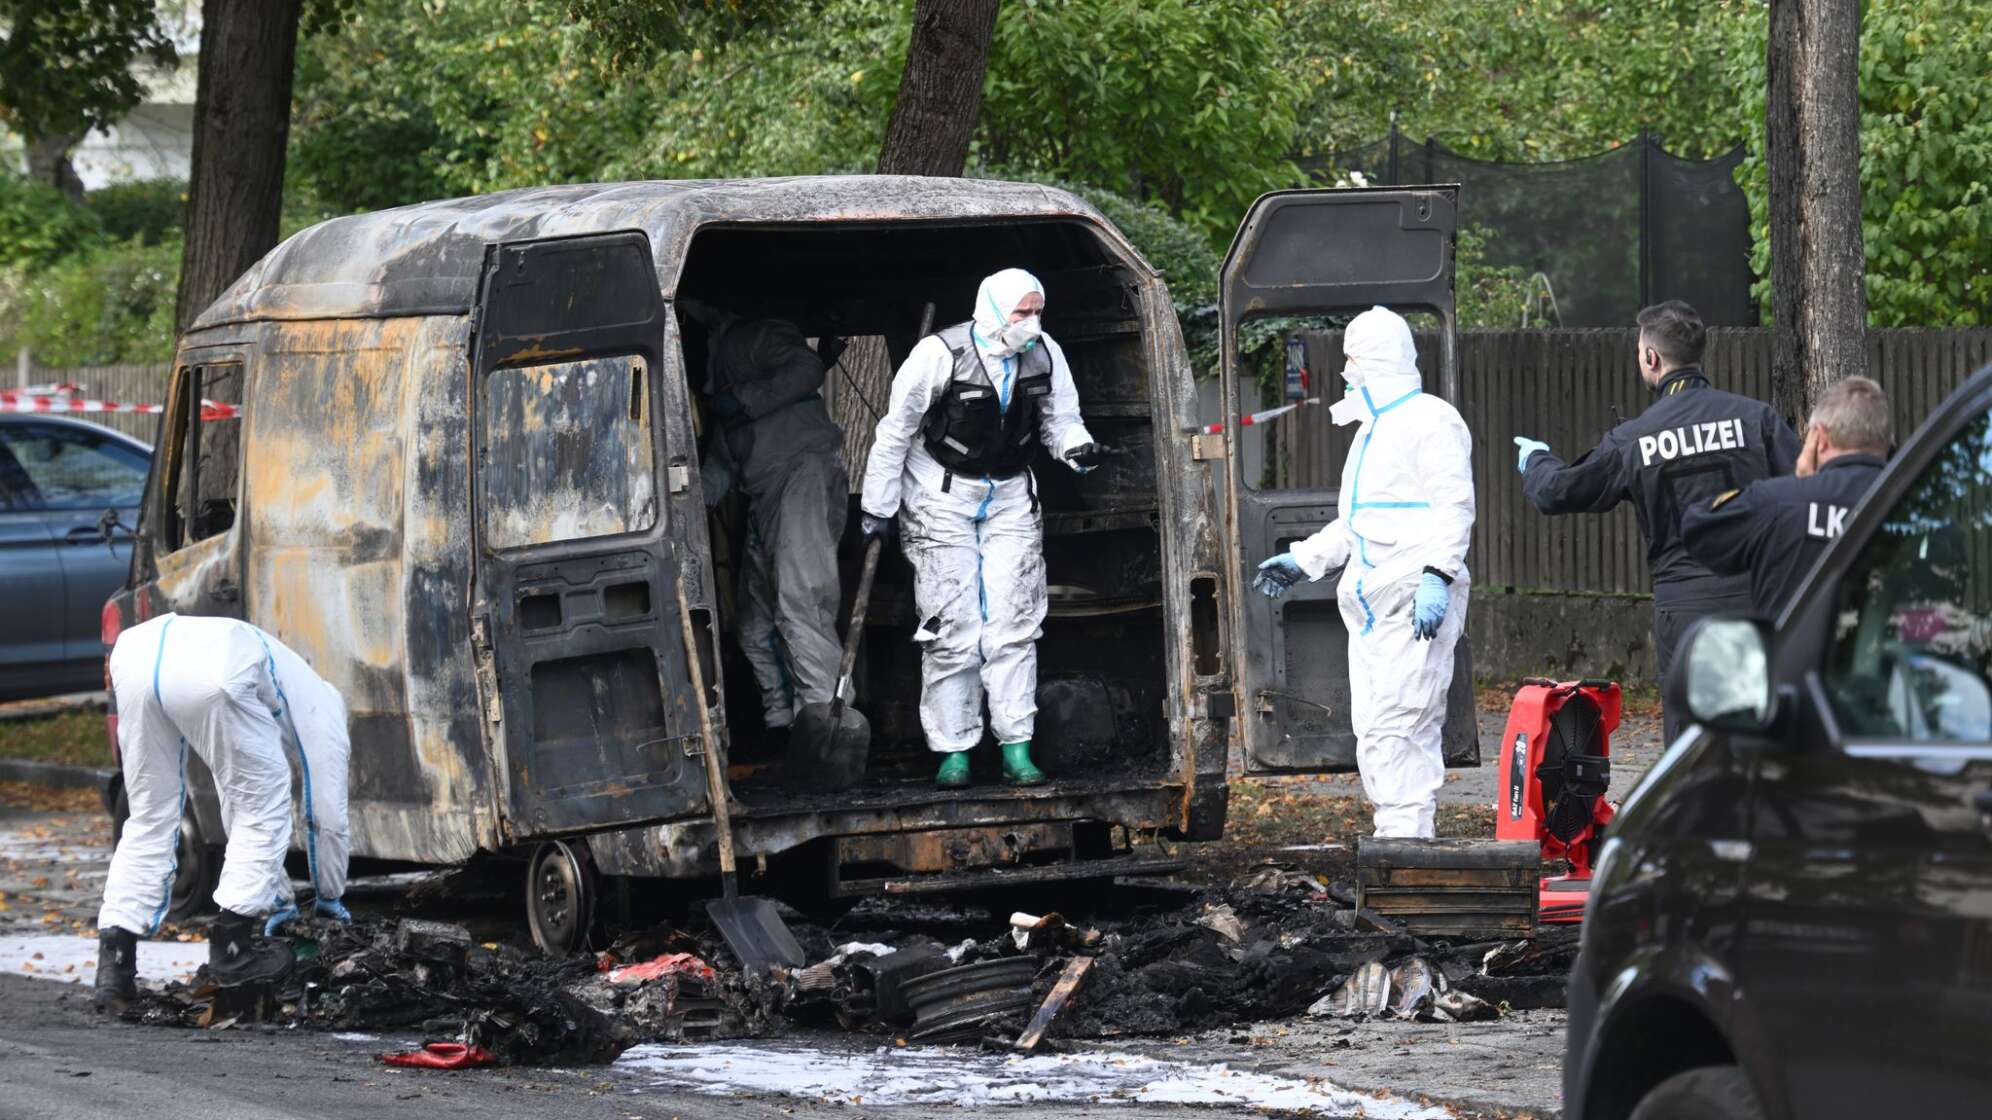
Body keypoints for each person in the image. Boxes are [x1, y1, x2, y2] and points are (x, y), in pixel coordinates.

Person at [858, 268, 1111, 788]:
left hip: (1012, 494)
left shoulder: (1044, 353)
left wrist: (1077, 449)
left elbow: (1060, 418)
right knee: (952, 628)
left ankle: (1016, 748)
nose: (1032, 322)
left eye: (1038, 311)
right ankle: (954, 752)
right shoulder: (939, 355)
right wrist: (877, 509)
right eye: (1022, 312)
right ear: (993, 310)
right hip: (939, 496)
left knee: (1015, 623)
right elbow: (896, 431)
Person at [1515, 300, 1800, 744]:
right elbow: (1806, 488)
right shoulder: (1755, 419)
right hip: (1756, 600)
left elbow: (1559, 491)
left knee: (1691, 742)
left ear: (1652, 358)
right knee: (1762, 730)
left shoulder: (1634, 438)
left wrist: (1535, 460)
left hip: (1684, 609)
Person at [1251, 306, 1474, 839]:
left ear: (1375, 358)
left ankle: (1405, 845)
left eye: (1352, 358)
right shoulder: (1373, 430)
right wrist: (1304, 560)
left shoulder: (1431, 421)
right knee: (1377, 728)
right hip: (1374, 610)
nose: (1347, 371)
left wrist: (1437, 575)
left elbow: (1454, 507)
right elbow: (1359, 523)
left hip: (1411, 600)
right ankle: (1397, 840)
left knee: (1402, 726)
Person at [95, 613, 352, 1012]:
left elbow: (232, 794)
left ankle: (114, 968)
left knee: (148, 814)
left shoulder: (281, 672)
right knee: (265, 808)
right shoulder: (324, 705)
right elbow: (326, 812)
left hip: (138, 655)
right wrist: (329, 900)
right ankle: (233, 948)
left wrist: (280, 902)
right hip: (217, 666)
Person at [687, 306, 848, 738]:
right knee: (754, 625)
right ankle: (782, 724)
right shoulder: (722, 388)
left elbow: (806, 368)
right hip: (764, 497)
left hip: (801, 477)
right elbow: (721, 467)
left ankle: (828, 725)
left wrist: (742, 402)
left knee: (801, 602)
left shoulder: (751, 336)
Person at [1683, 375, 1891, 617]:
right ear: (1888, 441)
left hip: (1797, 654)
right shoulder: (1917, 502)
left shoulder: (1778, 502)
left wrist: (1800, 487)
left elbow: (1697, 527)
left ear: (1819, 439)